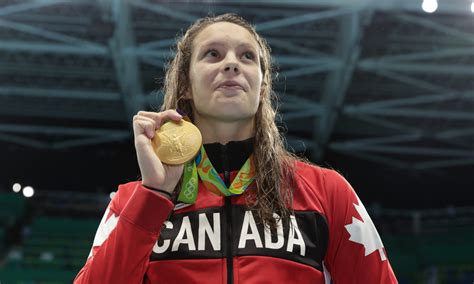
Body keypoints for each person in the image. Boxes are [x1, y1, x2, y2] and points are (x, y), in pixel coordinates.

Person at [74, 13, 398, 284]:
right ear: (185, 84)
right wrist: (155, 195)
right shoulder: (131, 202)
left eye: (247, 56)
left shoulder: (327, 193)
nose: (232, 64)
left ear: (262, 87)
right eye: (212, 54)